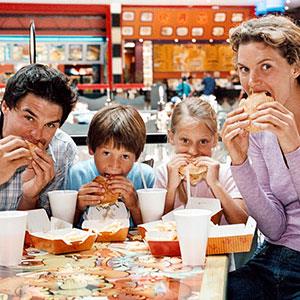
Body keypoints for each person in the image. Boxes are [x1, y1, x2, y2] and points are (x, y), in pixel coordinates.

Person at [221, 15, 300, 299]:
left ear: (295, 66)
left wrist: (294, 148)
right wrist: (240, 162)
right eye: (244, 69)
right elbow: (274, 227)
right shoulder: (258, 131)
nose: (252, 82)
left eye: (266, 66)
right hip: (273, 256)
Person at [155, 97, 248, 225]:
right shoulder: (164, 174)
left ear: (215, 140)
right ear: (171, 137)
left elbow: (243, 223)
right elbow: (156, 228)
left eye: (203, 142)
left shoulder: (227, 173)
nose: (193, 151)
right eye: (185, 141)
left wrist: (215, 185)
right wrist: (171, 188)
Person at [0, 63, 78, 214]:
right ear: (5, 107)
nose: (37, 135)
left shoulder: (62, 150)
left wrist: (30, 198)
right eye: (29, 118)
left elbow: (42, 231)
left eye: (49, 125)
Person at [67, 104, 155, 226]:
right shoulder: (76, 175)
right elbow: (63, 229)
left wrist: (134, 206)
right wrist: (77, 207)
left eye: (125, 156)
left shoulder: (146, 177)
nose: (114, 165)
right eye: (106, 153)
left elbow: (153, 230)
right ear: (91, 149)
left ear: (137, 157)